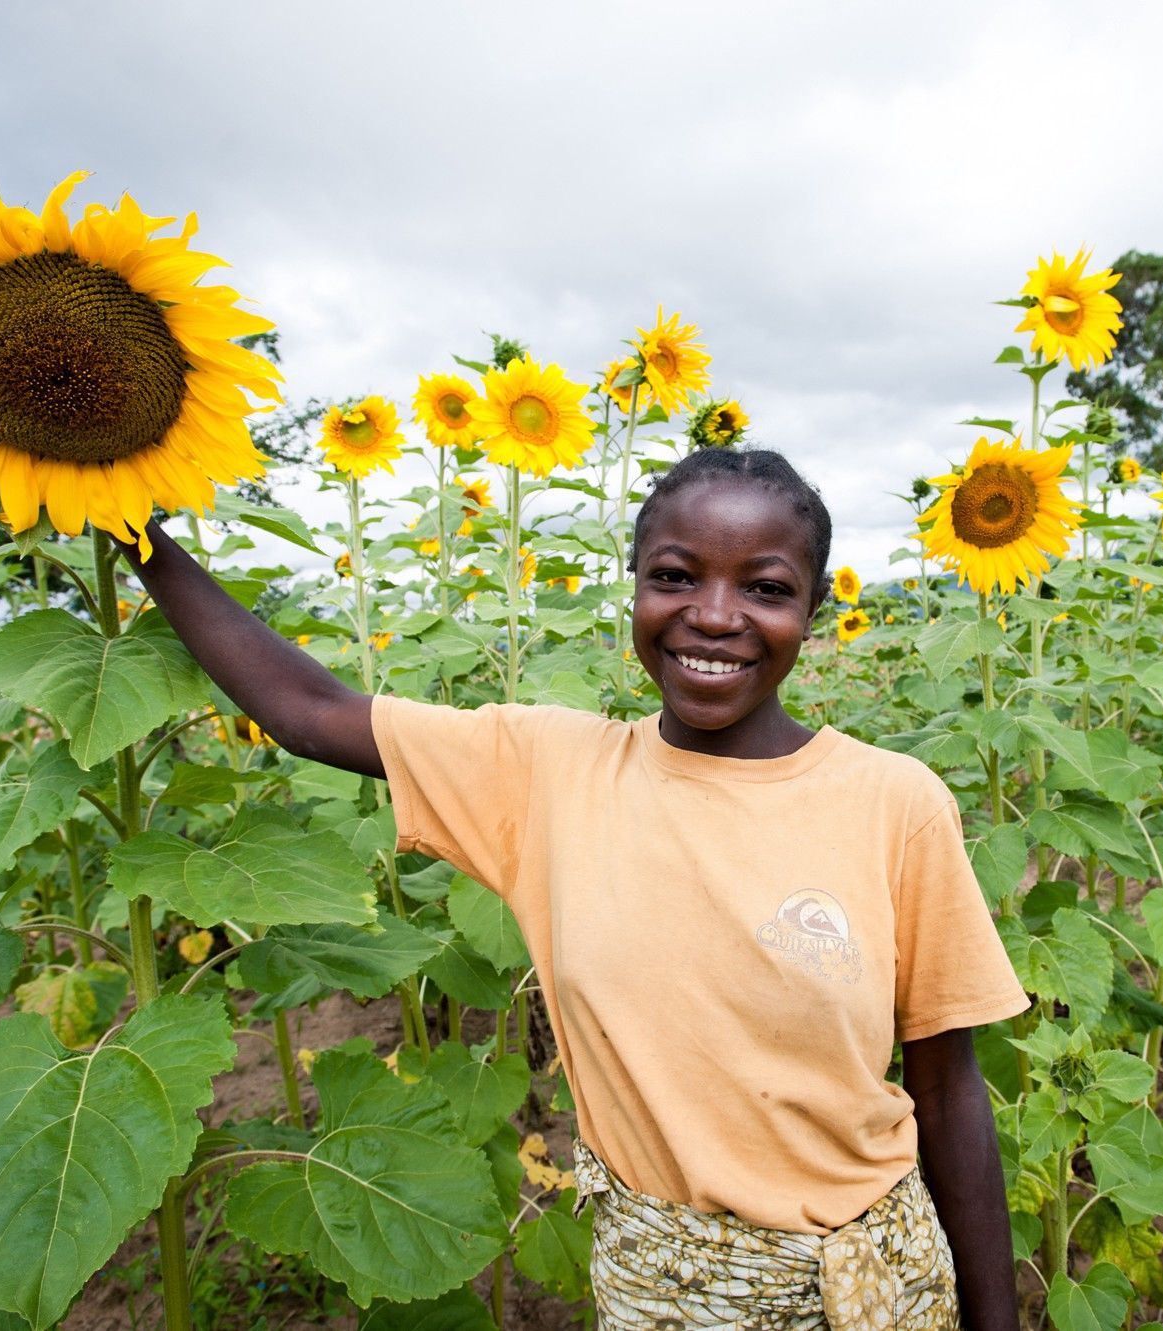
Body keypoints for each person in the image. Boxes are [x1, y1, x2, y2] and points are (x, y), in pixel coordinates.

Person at [122, 445, 1028, 1329]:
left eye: (765, 587)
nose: (714, 616)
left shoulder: (893, 803)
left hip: (877, 1283)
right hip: (661, 1290)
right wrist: (138, 533)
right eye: (676, 576)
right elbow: (308, 715)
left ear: (814, 608)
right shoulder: (548, 772)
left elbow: (948, 1091)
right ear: (633, 584)